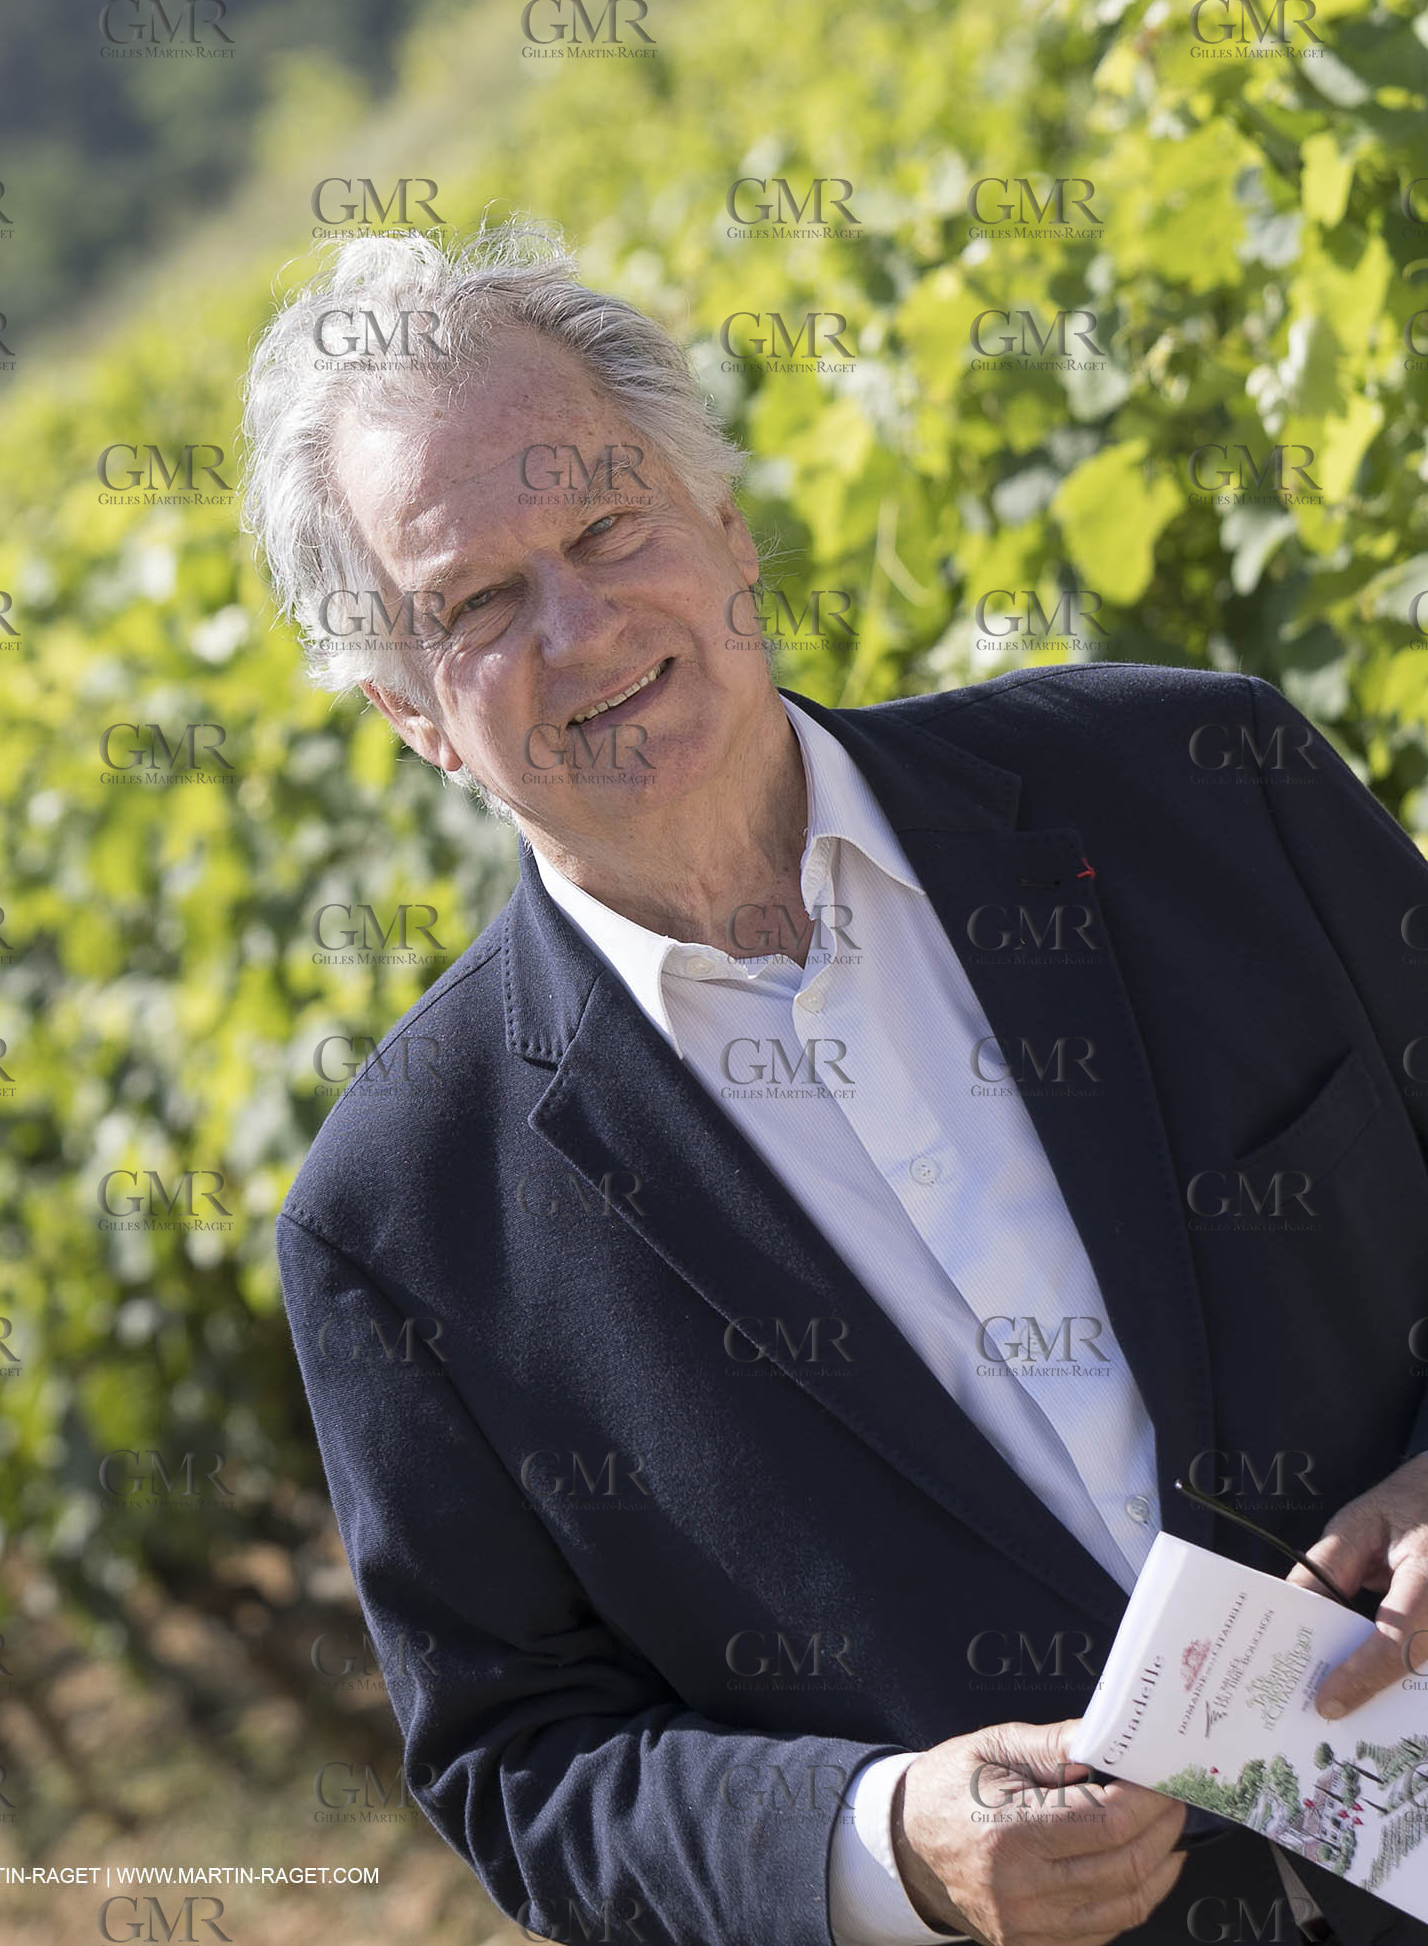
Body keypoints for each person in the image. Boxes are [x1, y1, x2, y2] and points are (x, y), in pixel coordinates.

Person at [245, 223, 1428, 1946]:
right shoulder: (399, 1228)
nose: (578, 628)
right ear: (408, 712)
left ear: (723, 518)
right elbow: (522, 1763)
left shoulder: (1197, 780)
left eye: (606, 524)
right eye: (478, 605)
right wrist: (879, 1845)